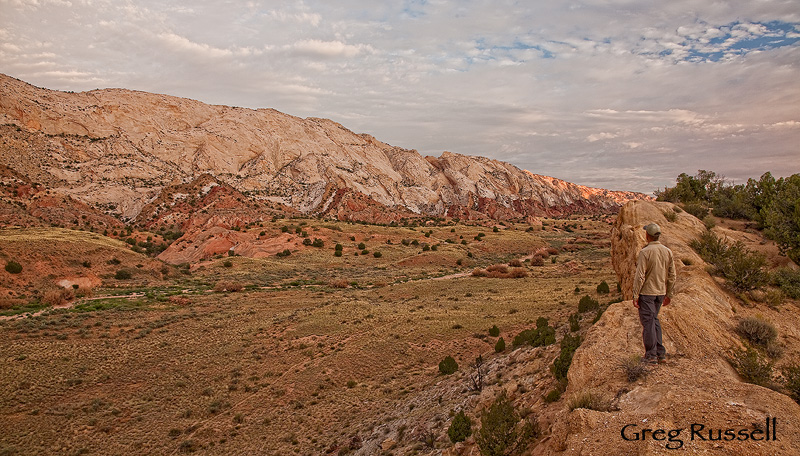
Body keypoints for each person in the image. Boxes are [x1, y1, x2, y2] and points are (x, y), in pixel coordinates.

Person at [632, 223, 676, 364]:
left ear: (647, 235)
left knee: (648, 323)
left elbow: (640, 276)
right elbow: (672, 275)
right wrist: (669, 293)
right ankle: (660, 353)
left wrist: (635, 295)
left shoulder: (645, 252)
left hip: (647, 293)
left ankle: (651, 356)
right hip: (660, 292)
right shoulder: (667, 251)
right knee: (654, 320)